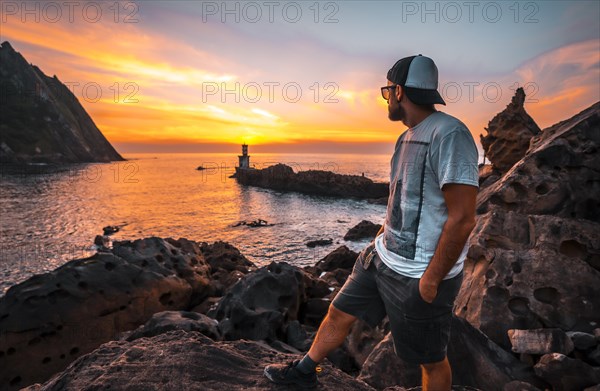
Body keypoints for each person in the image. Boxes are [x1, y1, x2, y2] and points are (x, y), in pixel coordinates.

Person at [264, 54, 479, 390]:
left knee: (431, 360)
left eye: (387, 90)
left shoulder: (450, 134)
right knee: (339, 312)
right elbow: (400, 197)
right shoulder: (405, 137)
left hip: (418, 273)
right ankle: (306, 371)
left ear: (400, 93)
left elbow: (464, 217)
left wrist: (431, 280)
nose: (386, 98)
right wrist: (379, 238)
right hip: (381, 256)